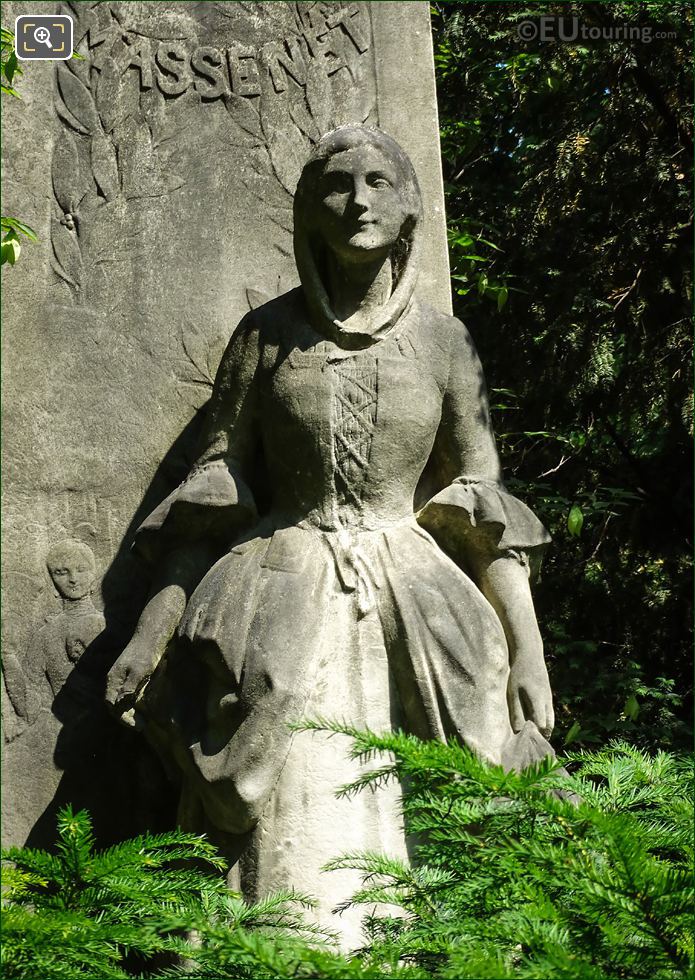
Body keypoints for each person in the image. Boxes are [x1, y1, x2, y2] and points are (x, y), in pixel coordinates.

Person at [106, 126, 554, 945]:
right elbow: (215, 495)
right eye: (338, 186)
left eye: (379, 183)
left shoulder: (443, 341)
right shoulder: (264, 335)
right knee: (279, 779)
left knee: (463, 784)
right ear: (309, 210)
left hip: (415, 595)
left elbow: (483, 512)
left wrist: (526, 651)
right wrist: (150, 628)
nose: (358, 203)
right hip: (282, 586)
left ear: (410, 205)